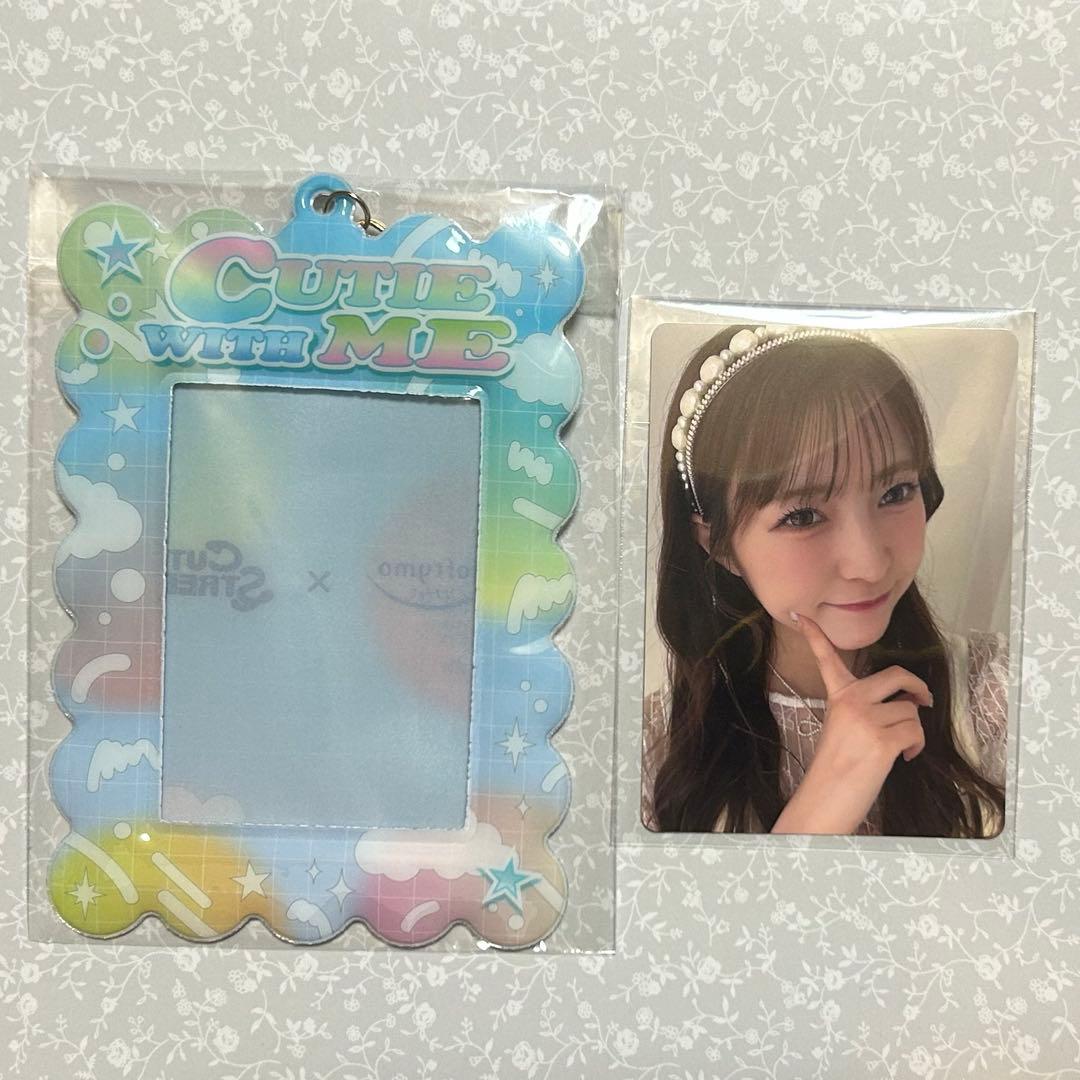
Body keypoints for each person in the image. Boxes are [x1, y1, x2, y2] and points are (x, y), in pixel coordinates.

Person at [642, 324, 1007, 836]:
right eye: (802, 516)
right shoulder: (649, 750)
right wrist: (826, 801)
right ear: (718, 543)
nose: (869, 565)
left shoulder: (1001, 694)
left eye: (896, 492)